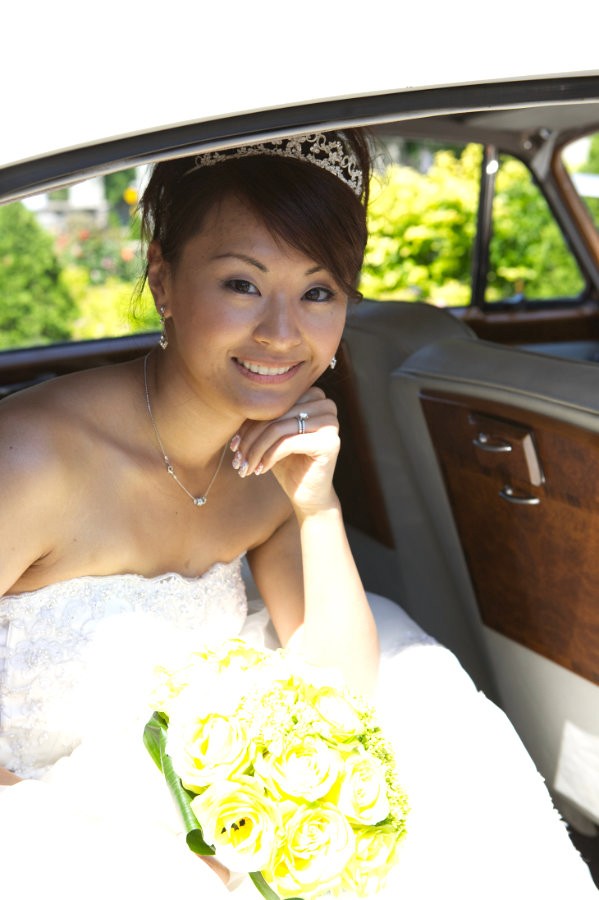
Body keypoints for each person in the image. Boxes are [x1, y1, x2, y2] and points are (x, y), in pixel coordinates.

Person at [0, 131, 596, 899]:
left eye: (318, 292)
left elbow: (341, 689)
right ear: (163, 280)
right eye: (243, 284)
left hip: (207, 809)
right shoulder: (32, 462)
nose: (283, 333)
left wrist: (317, 505)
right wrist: (94, 845)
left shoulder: (271, 470)